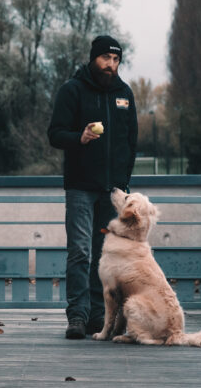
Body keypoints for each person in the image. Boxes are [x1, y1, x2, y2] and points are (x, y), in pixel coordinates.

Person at [47, 35, 138, 339]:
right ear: (93, 58)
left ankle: (99, 316)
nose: (111, 65)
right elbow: (55, 134)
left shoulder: (124, 93)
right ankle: (77, 316)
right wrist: (79, 138)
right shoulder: (73, 90)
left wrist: (123, 185)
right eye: (106, 59)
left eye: (116, 60)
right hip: (80, 188)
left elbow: (131, 142)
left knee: (104, 255)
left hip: (112, 193)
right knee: (80, 252)